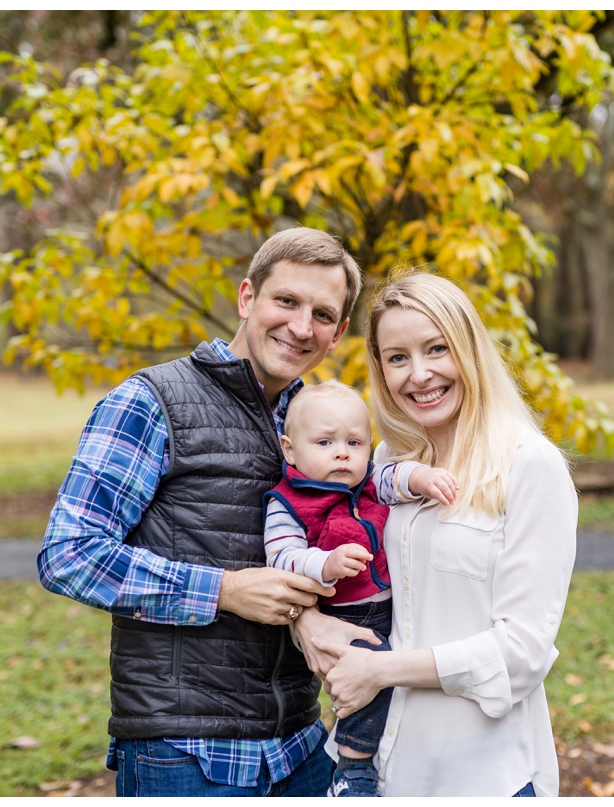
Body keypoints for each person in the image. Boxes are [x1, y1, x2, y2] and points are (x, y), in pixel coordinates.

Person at [38, 227, 381, 797]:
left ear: (338, 333)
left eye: (322, 313)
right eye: (286, 301)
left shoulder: (323, 426)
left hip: (301, 744)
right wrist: (221, 590)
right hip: (186, 753)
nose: (301, 326)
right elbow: (68, 555)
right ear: (248, 299)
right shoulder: (151, 402)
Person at [305, 272, 579, 797]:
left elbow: (521, 652)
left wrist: (381, 670)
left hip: (484, 774)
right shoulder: (383, 463)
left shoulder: (528, 465)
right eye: (398, 357)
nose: (420, 374)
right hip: (376, 767)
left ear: (469, 350)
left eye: (437, 348)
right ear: (381, 370)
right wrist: (309, 620)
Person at [261, 380, 458, 796]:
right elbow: (280, 556)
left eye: (355, 442)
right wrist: (325, 565)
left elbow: (394, 477)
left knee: (401, 675)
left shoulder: (365, 482)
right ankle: (353, 765)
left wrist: (422, 478)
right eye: (325, 442)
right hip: (342, 616)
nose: (342, 453)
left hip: (390, 607)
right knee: (372, 674)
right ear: (290, 449)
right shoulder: (288, 502)